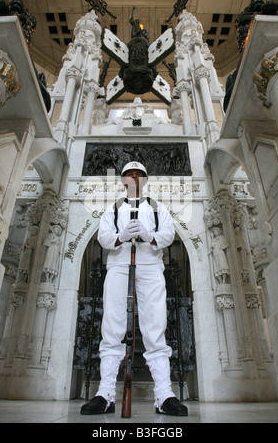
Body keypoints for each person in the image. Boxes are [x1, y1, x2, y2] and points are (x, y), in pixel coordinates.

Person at [80, 161, 188, 416]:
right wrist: (121, 235)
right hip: (119, 264)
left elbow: (168, 235)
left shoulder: (157, 207)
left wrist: (149, 235)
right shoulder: (113, 208)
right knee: (113, 325)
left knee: (154, 326)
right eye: (130, 174)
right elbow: (104, 237)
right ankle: (105, 394)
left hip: (150, 265)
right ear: (123, 181)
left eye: (139, 174)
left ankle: (164, 395)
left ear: (145, 180)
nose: (135, 178)